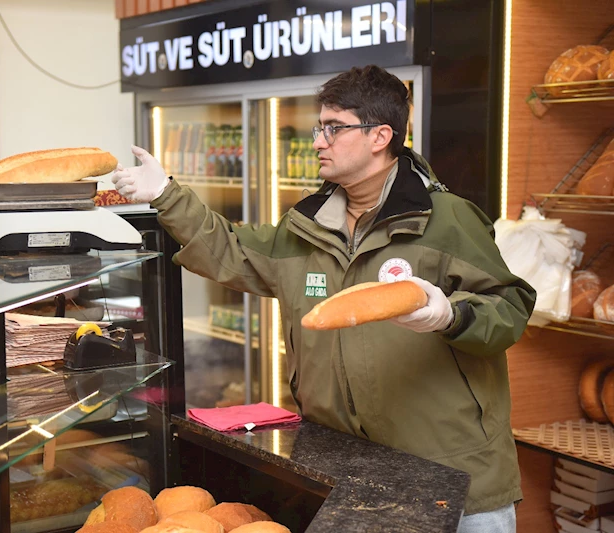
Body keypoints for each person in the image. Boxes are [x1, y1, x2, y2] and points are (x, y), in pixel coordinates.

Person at [112, 65, 535, 532]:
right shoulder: (305, 225)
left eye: (333, 128)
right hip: (348, 470)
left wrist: (450, 315)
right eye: (319, 128)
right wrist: (167, 195)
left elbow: (510, 310)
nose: (317, 141)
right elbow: (231, 251)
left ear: (380, 136)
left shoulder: (448, 220)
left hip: (455, 479)